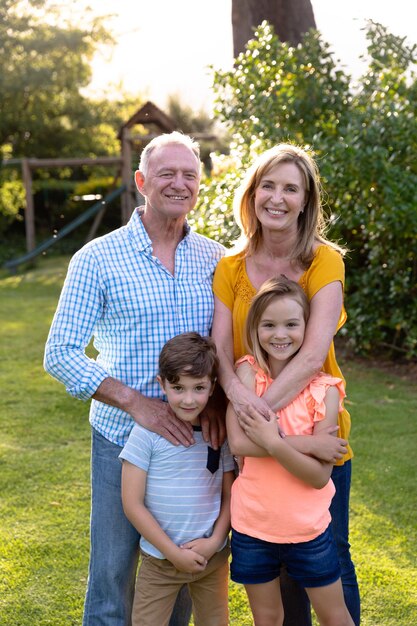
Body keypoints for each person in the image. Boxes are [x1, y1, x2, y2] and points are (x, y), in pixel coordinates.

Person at [44, 131, 226, 626]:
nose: (179, 183)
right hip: (121, 439)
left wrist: (214, 407)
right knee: (113, 577)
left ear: (199, 186)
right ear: (141, 181)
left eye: (189, 174)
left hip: (191, 445)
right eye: (167, 173)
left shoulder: (216, 259)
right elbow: (59, 353)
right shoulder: (97, 258)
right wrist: (135, 403)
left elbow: (226, 349)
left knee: (181, 569)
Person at [211, 143, 360, 625]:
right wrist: (242, 403)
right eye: (268, 185)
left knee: (329, 559)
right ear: (252, 194)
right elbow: (222, 353)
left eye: (290, 188)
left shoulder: (325, 261)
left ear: (306, 199)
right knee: (275, 574)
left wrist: (257, 421)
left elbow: (314, 354)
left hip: (315, 431)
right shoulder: (230, 267)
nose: (277, 197)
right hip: (254, 443)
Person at [226, 275, 354, 626]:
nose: (279, 335)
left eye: (291, 324)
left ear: (307, 327)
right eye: (269, 325)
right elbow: (238, 443)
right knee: (267, 618)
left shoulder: (324, 391)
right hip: (252, 528)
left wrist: (268, 441)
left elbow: (318, 476)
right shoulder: (247, 374)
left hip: (308, 531)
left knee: (334, 616)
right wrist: (309, 444)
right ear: (255, 327)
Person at [120, 332, 235, 626]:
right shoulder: (146, 435)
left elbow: (230, 494)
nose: (188, 399)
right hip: (160, 562)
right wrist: (172, 553)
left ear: (213, 388)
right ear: (162, 385)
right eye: (178, 388)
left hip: (212, 559)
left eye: (198, 388)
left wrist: (216, 541)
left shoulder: (217, 435)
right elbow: (132, 504)